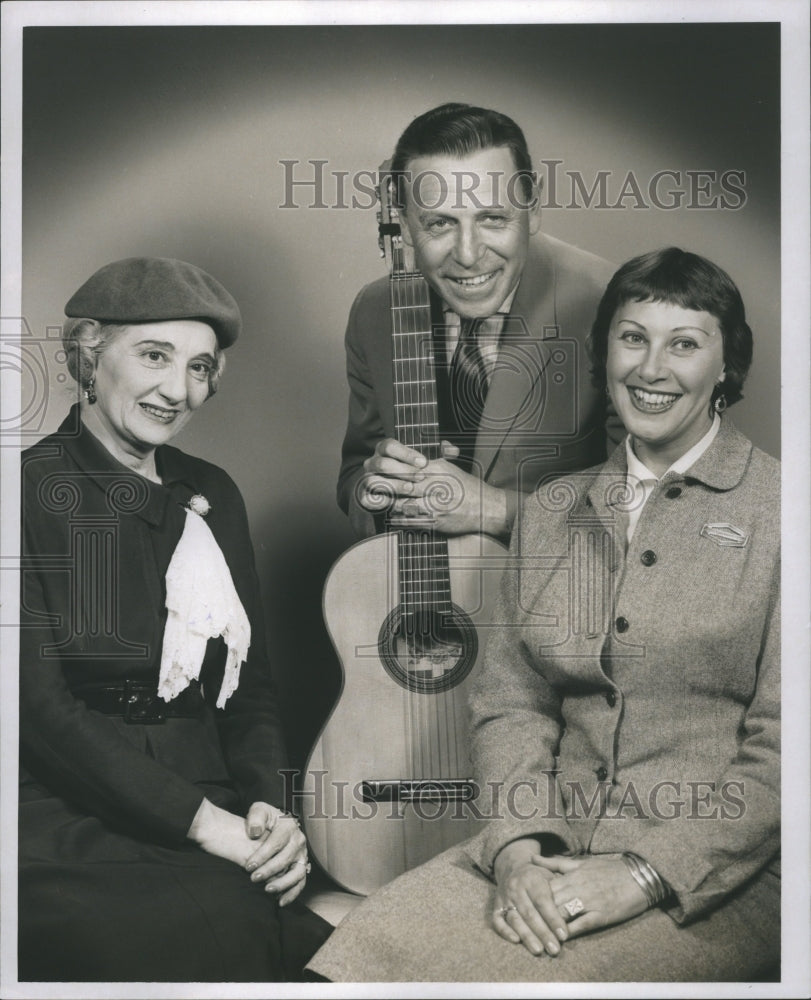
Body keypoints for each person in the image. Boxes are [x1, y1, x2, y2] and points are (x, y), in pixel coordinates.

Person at [306, 247, 780, 982]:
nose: (651, 369)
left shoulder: (786, 514)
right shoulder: (552, 510)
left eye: (683, 344)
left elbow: (788, 750)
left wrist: (645, 874)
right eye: (631, 338)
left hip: (714, 880)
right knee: (349, 960)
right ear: (603, 353)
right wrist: (522, 849)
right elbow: (510, 702)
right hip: (543, 854)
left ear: (725, 367)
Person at [18, 257, 332, 982]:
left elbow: (248, 690)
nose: (176, 390)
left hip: (215, 797)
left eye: (199, 367)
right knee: (211, 939)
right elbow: (37, 711)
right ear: (91, 353)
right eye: (153, 356)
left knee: (321, 956)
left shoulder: (212, 492)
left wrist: (266, 814)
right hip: (65, 813)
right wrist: (205, 826)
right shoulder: (26, 491)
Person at [338, 102, 618, 542]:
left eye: (492, 218)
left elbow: (653, 505)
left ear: (533, 207)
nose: (468, 255)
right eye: (439, 224)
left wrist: (496, 511)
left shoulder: (613, 304)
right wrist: (375, 493)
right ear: (407, 226)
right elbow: (356, 474)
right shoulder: (374, 311)